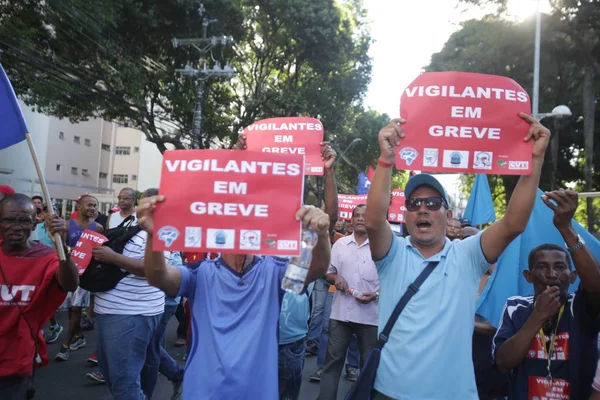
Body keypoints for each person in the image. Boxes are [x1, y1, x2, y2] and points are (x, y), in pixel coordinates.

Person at [365, 113, 550, 399]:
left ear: (447, 214)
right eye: (414, 204)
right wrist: (386, 160)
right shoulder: (392, 255)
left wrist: (534, 160)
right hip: (390, 392)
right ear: (405, 215)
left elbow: (513, 224)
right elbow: (375, 221)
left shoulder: (468, 255)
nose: (423, 208)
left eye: (432, 203)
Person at [136, 193, 331, 399]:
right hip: (204, 391)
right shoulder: (199, 272)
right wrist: (153, 235)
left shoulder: (274, 272)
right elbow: (159, 277)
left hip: (257, 392)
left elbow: (316, 269)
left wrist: (322, 235)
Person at [493, 189, 600, 400]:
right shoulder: (517, 307)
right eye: (542, 267)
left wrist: (565, 227)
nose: (551, 275)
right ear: (528, 276)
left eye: (560, 267)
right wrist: (538, 316)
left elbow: (596, 286)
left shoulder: (578, 306)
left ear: (572, 276)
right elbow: (503, 363)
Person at [91, 188, 176, 399]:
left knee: (124, 382)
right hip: (111, 310)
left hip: (133, 312)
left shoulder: (165, 232)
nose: (145, 209)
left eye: (152, 206)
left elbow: (152, 270)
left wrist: (113, 257)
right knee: (115, 371)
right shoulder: (130, 227)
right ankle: (179, 375)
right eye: (143, 204)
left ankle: (177, 377)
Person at [0, 194, 79, 399]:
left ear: (35, 223)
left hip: (17, 359)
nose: (16, 227)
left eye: (24, 220)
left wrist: (62, 247)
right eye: (9, 220)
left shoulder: (47, 257)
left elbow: (70, 284)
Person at [317, 204, 379, 400]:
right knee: (332, 363)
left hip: (371, 318)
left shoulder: (382, 247)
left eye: (364, 215)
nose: (360, 218)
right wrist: (335, 279)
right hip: (340, 314)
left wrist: (376, 294)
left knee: (368, 366)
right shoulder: (340, 245)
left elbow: (393, 280)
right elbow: (328, 271)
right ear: (351, 220)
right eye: (356, 215)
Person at [55, 195, 103, 361]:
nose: (92, 208)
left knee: (76, 308)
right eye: (89, 205)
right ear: (80, 206)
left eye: (95, 206)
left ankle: (65, 345)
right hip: (69, 272)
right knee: (71, 309)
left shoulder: (98, 228)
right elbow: (60, 248)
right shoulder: (68, 225)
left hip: (85, 276)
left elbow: (100, 251)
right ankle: (79, 336)